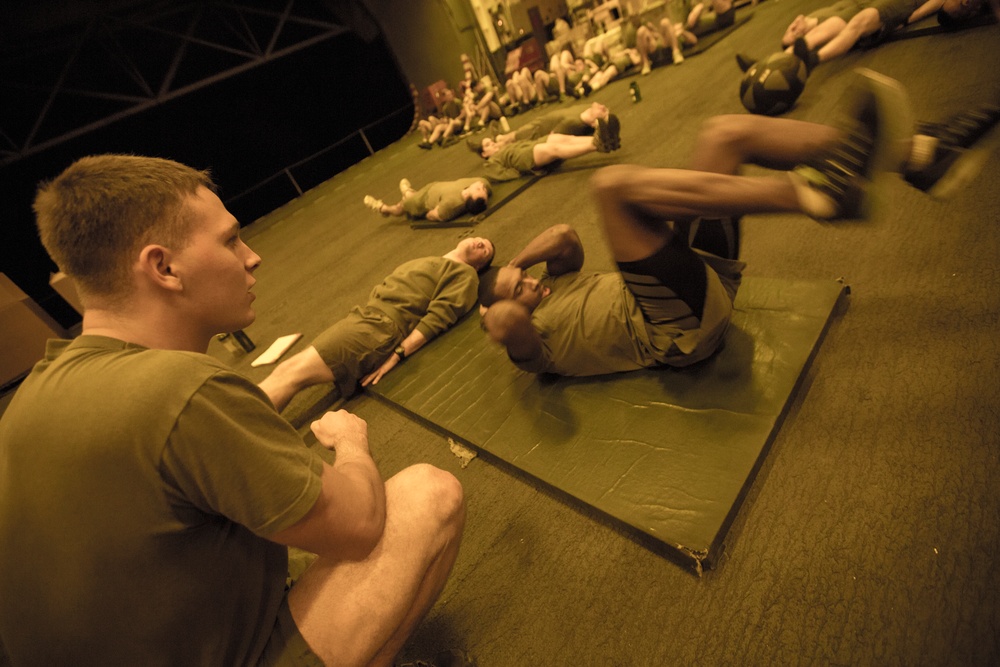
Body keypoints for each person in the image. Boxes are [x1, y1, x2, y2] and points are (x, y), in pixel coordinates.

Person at [0, 154, 467, 665]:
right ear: (164, 267)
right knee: (429, 496)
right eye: (229, 240)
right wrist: (351, 443)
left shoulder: (30, 399)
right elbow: (359, 524)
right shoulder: (179, 390)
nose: (252, 256)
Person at [478, 69, 913, 376]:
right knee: (610, 188)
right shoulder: (535, 343)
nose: (532, 285)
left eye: (525, 280)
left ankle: (910, 154)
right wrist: (498, 307)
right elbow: (507, 327)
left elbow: (563, 236)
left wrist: (513, 268)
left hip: (698, 281)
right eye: (521, 293)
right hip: (677, 332)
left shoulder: (556, 281)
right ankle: (816, 194)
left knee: (722, 134)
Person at [259, 236, 495, 412]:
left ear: (478, 266)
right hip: (366, 318)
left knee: (291, 373)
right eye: (479, 238)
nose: (479, 242)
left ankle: (239, 426)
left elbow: (437, 319)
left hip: (380, 328)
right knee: (289, 372)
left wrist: (397, 355)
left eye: (485, 249)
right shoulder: (435, 261)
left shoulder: (465, 275)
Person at [479, 115, 622, 182]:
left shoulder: (503, 146)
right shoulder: (489, 163)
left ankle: (607, 138)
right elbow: (501, 175)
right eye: (487, 145)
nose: (491, 143)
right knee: (554, 148)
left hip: (529, 145)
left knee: (562, 138)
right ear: (484, 154)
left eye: (490, 142)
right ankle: (597, 144)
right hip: (523, 157)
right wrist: (519, 172)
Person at [467, 102, 613, 156]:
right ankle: (499, 139)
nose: (601, 106)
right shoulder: (582, 113)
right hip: (543, 122)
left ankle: (499, 141)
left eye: (602, 110)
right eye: (602, 108)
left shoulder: (575, 121)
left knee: (517, 137)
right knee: (516, 135)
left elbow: (555, 137)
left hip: (541, 128)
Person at [364, 177, 491, 222]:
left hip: (422, 201)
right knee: (410, 196)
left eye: (479, 190)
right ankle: (408, 192)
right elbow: (486, 185)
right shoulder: (480, 182)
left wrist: (428, 211)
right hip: (433, 187)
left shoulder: (452, 204)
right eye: (483, 190)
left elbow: (432, 215)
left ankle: (383, 208)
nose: (482, 187)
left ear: (468, 196)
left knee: (400, 207)